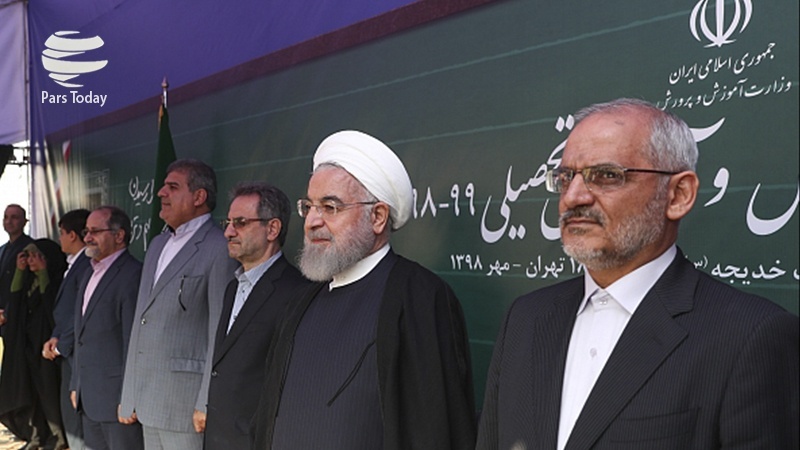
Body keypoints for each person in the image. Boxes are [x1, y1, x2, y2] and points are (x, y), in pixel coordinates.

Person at [475, 98, 799, 449]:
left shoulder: (749, 337)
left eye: (606, 176)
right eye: (565, 178)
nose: (573, 197)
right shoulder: (526, 319)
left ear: (678, 195)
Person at [252, 130, 476, 449]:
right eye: (309, 207)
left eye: (330, 207)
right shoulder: (300, 301)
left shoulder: (421, 299)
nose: (312, 222)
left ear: (378, 217)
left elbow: (435, 428)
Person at [119, 159, 237, 450]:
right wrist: (129, 394)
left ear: (199, 197)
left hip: (186, 406)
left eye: (173, 187)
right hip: (147, 400)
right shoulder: (157, 245)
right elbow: (141, 321)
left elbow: (220, 330)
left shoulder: (219, 247)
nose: (161, 193)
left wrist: (206, 400)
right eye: (163, 186)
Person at [197, 182, 309, 450]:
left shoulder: (297, 292)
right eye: (227, 222)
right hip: (218, 438)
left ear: (272, 229)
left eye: (240, 223)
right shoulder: (232, 287)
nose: (228, 232)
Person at [70, 206, 144, 450]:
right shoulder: (88, 272)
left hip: (117, 403)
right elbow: (82, 335)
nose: (87, 238)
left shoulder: (132, 275)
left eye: (95, 231)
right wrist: (76, 384)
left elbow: (133, 342)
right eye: (86, 231)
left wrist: (129, 397)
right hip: (89, 398)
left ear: (119, 235)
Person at [0, 238, 67, 450]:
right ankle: (35, 435)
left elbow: (51, 306)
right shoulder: (27, 280)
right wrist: (19, 272)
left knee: (49, 392)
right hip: (27, 345)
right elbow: (15, 302)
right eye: (27, 256)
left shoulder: (56, 277)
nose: (30, 261)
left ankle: (57, 436)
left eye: (35, 256)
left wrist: (43, 272)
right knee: (30, 392)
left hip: (46, 345)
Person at [42, 208, 92, 450]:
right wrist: (55, 337)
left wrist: (61, 345)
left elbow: (80, 313)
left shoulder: (86, 266)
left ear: (72, 235)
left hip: (77, 354)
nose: (59, 238)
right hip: (66, 349)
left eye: (61, 233)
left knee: (78, 423)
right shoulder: (74, 264)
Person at [0, 204, 34, 331]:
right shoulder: (2, 250)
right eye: (6, 217)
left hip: (21, 316)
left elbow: (28, 284)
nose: (9, 221)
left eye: (14, 217)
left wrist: (7, 313)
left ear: (24, 222)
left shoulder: (30, 247)